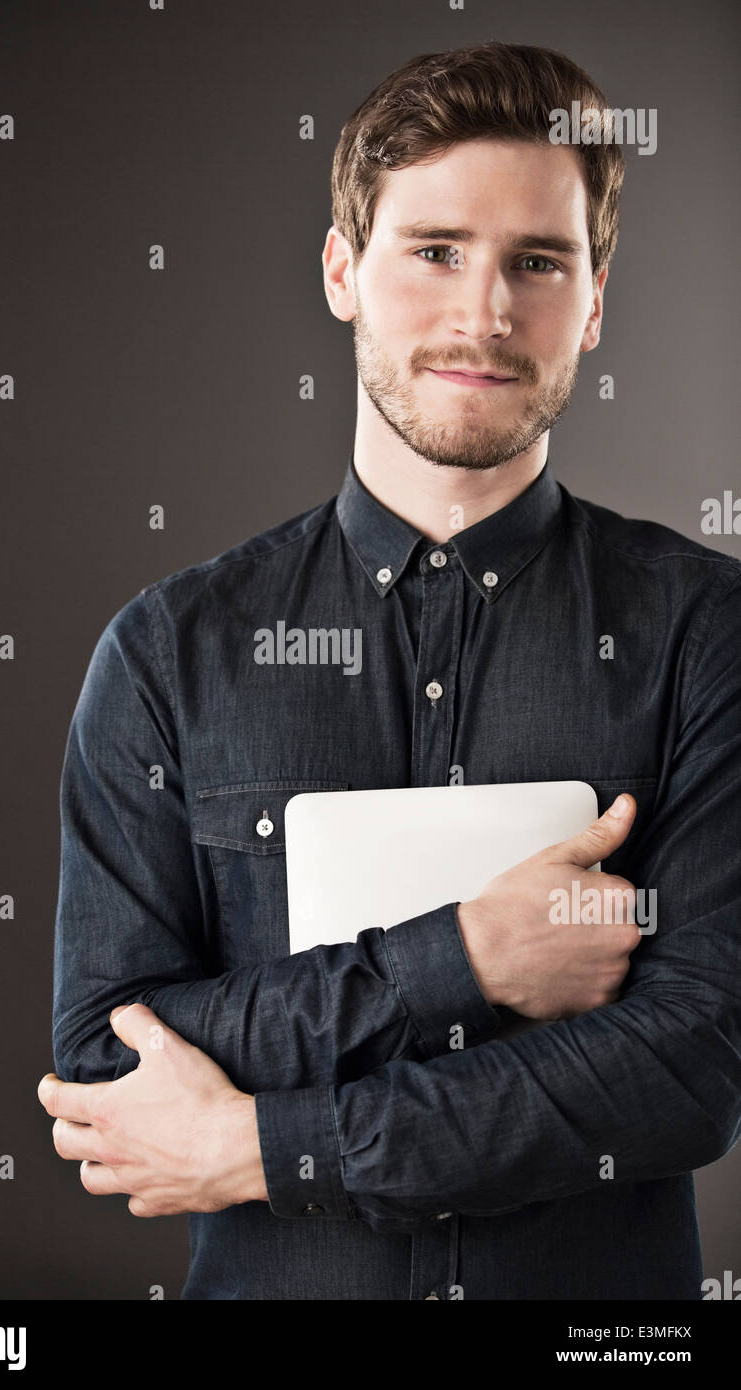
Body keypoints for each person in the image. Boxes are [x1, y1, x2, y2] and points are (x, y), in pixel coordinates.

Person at [39, 42, 741, 1300]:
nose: (483, 314)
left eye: (537, 261)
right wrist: (461, 957)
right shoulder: (166, 653)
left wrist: (264, 1145)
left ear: (591, 303)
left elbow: (689, 1071)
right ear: (339, 271)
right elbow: (105, 1067)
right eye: (433, 251)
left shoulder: (707, 633)